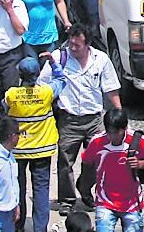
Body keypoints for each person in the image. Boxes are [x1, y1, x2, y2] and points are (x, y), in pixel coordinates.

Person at [49, 24, 120, 214]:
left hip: (94, 119)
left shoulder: (101, 60)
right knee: (65, 161)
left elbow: (111, 88)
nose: (73, 48)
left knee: (97, 159)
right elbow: (43, 85)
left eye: (77, 46)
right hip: (68, 120)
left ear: (87, 44)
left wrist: (120, 115)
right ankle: (67, 199)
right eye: (71, 44)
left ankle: (85, 187)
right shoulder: (59, 58)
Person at [3, 55, 59, 232]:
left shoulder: (11, 94)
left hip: (18, 149)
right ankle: (39, 231)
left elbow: (3, 108)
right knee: (41, 189)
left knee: (17, 186)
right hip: (42, 149)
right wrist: (52, 62)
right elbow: (62, 81)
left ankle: (18, 223)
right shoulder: (46, 93)